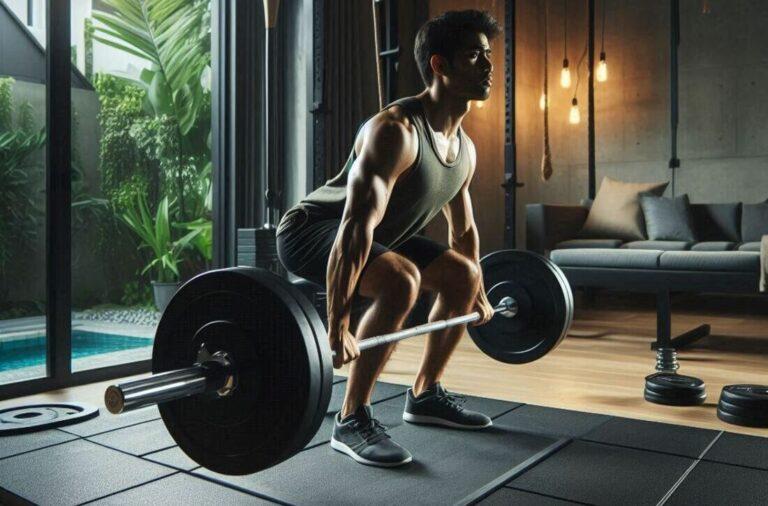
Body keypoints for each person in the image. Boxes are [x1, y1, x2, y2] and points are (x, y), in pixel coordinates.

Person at [276, 9, 500, 467]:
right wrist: (337, 323)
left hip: (383, 236)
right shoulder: (395, 131)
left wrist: (476, 294)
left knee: (462, 274)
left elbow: (464, 230)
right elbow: (355, 227)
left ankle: (424, 394)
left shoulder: (464, 149)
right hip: (312, 230)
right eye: (475, 55)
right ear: (439, 65)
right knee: (402, 279)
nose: (489, 66)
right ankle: (351, 418)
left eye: (489, 55)